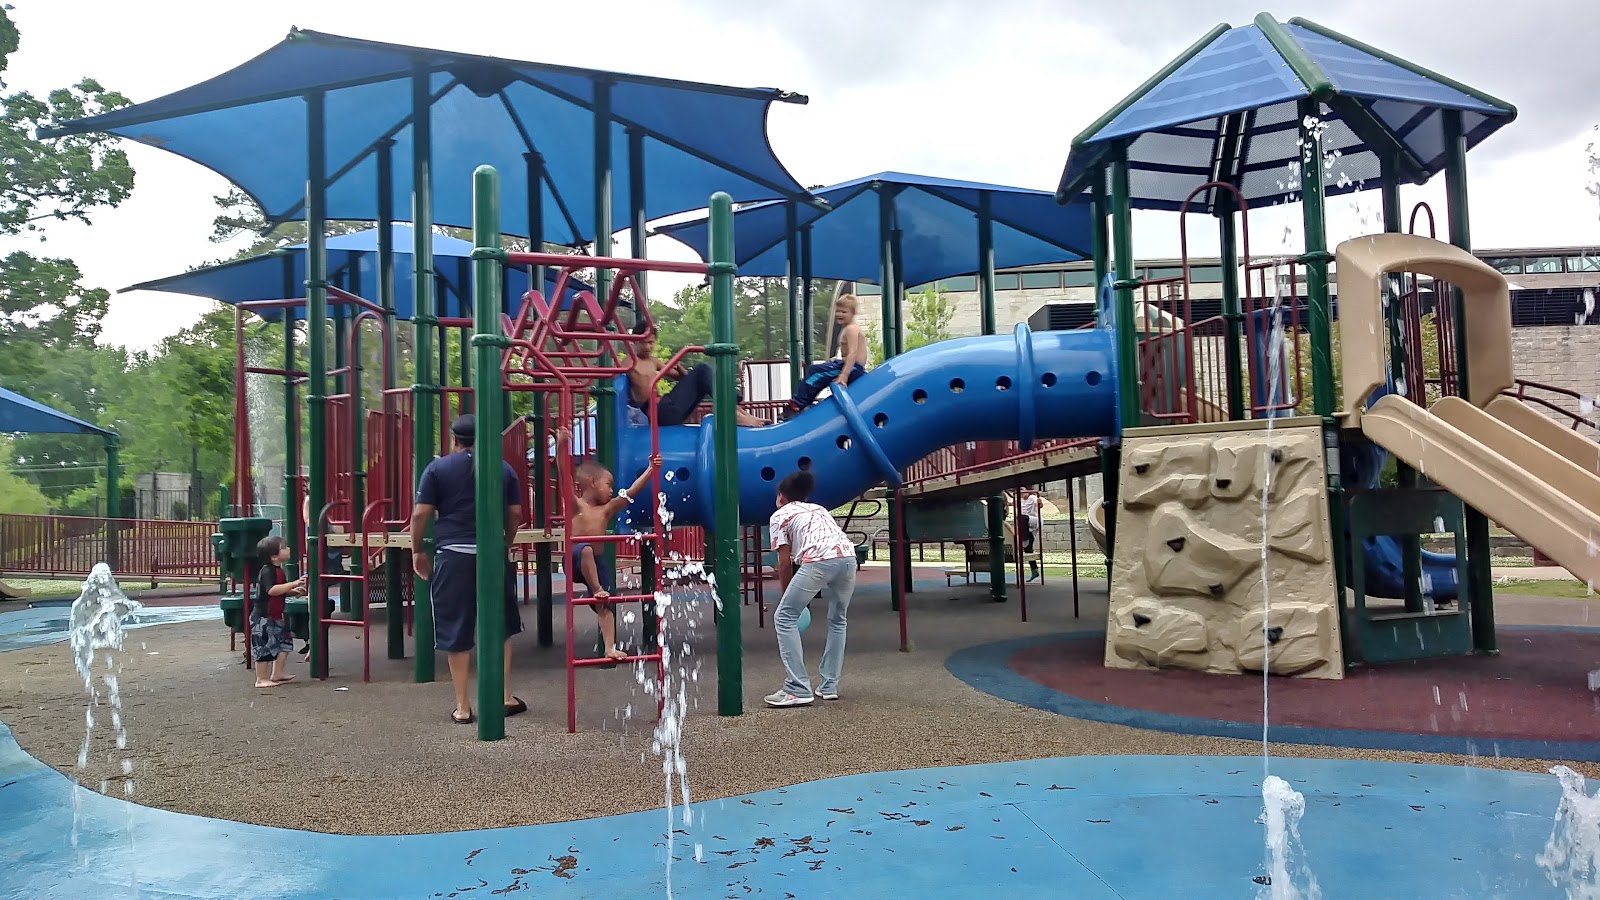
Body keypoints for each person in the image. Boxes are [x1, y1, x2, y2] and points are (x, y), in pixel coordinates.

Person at [410, 414, 527, 726]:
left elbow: (421, 513)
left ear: (454, 440)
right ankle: (504, 696)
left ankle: (463, 706)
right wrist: (505, 542)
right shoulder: (502, 469)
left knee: (454, 628)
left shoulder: (437, 468)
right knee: (499, 623)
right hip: (491, 553)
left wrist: (417, 549)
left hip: (452, 555)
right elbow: (515, 512)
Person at [764, 470, 858, 708]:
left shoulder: (779, 515)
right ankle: (829, 686)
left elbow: (784, 563)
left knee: (784, 617)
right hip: (848, 558)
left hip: (818, 561)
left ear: (780, 496)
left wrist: (787, 595)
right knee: (838, 620)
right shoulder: (819, 509)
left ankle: (797, 688)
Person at [567, 451, 662, 661]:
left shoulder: (606, 510)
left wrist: (650, 470)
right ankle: (597, 588)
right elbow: (565, 479)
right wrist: (562, 449)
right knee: (586, 550)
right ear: (592, 482)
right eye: (608, 484)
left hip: (597, 564)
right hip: (575, 559)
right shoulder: (576, 506)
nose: (611, 490)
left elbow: (630, 493)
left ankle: (609, 647)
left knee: (607, 605)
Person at [628, 327, 766, 427]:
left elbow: (681, 378)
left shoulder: (653, 361)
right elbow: (614, 377)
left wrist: (679, 368)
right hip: (658, 411)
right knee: (702, 369)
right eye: (643, 342)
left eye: (651, 342)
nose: (647, 346)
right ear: (634, 341)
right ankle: (734, 410)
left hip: (667, 408)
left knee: (702, 377)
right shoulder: (629, 362)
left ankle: (738, 412)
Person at [782, 294, 869, 419]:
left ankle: (797, 405)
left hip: (853, 369)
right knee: (817, 372)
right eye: (837, 311)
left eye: (844, 312)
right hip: (849, 366)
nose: (839, 314)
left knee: (815, 372)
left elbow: (852, 353)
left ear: (853, 313)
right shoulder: (848, 329)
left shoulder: (852, 329)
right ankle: (804, 404)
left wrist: (844, 375)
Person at [252, 536, 305, 688]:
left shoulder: (278, 570)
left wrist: (292, 591)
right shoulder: (268, 571)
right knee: (263, 648)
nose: (288, 549)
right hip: (263, 617)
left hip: (276, 616)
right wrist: (292, 584)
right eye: (284, 547)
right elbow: (272, 591)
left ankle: (278, 673)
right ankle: (261, 679)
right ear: (274, 556)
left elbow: (279, 591)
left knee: (285, 643)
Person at [1019, 490, 1042, 582]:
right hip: (1026, 525)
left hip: (1034, 520)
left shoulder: (1032, 498)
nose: (1023, 494)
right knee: (1028, 548)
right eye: (1021, 492)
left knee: (1022, 517)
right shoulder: (1020, 500)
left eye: (1024, 492)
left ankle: (1024, 538)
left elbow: (1039, 503)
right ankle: (1034, 570)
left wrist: (1040, 502)